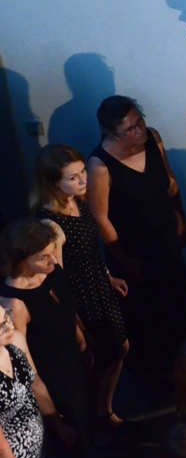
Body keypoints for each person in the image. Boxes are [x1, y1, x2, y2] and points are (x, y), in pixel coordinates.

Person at [87, 96, 186, 380]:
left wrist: (181, 217)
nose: (139, 131)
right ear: (113, 133)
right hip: (135, 251)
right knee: (151, 321)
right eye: (130, 129)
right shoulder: (100, 164)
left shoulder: (153, 138)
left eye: (140, 121)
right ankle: (157, 382)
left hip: (165, 240)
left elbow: (170, 182)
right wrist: (125, 261)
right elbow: (101, 218)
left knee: (179, 310)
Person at [32, 144, 129, 429]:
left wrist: (107, 276)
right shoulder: (50, 223)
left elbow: (90, 250)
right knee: (95, 360)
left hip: (97, 286)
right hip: (79, 296)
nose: (83, 179)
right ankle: (92, 422)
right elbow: (55, 279)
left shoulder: (79, 203)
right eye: (73, 177)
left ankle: (104, 412)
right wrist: (75, 325)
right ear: (53, 183)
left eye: (83, 171)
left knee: (120, 348)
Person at [0, 219, 91, 458]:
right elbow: (25, 364)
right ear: (20, 260)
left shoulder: (52, 272)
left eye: (52, 252)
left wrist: (79, 334)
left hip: (70, 362)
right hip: (51, 378)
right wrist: (53, 418)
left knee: (82, 426)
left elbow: (66, 307)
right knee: (64, 439)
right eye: (42, 257)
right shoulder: (14, 302)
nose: (52, 260)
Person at [0, 308, 97, 458]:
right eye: (1, 326)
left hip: (38, 443)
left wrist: (57, 424)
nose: (10, 325)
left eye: (6, 317)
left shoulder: (15, 341)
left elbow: (36, 384)